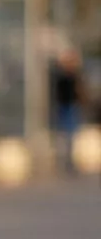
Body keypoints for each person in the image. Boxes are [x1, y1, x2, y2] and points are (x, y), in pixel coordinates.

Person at [50, 47, 85, 175]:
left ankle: (69, 162)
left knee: (70, 137)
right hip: (65, 108)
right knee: (65, 136)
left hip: (70, 107)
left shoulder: (71, 76)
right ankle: (65, 162)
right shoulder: (63, 76)